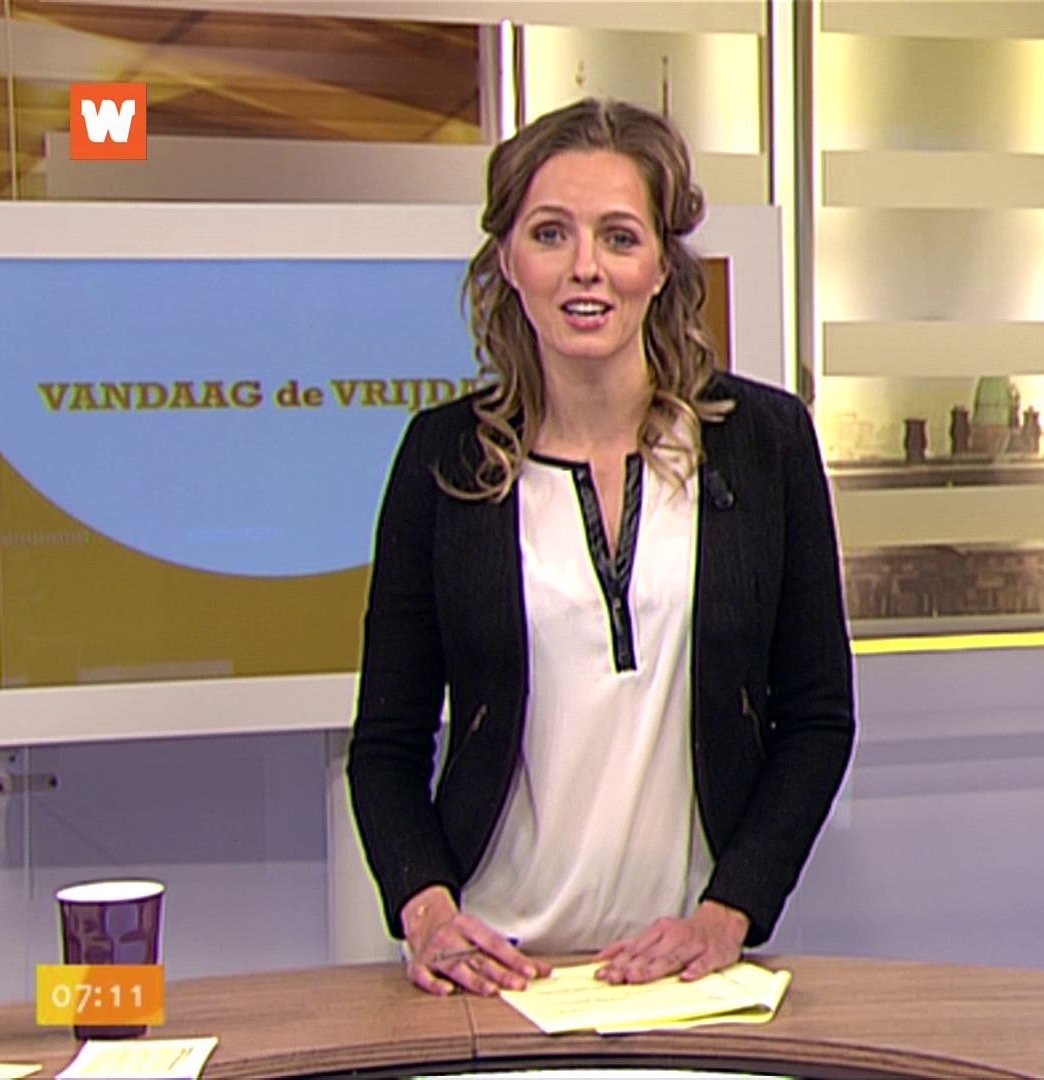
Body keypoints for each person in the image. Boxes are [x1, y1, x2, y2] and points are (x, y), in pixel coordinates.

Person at [346, 97, 855, 998]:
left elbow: (816, 718)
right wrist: (426, 913)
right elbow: (387, 743)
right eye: (551, 234)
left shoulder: (764, 443)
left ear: (661, 265)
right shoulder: (444, 457)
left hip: (691, 973)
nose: (586, 268)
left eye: (619, 237)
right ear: (509, 261)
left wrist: (730, 912)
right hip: (495, 973)